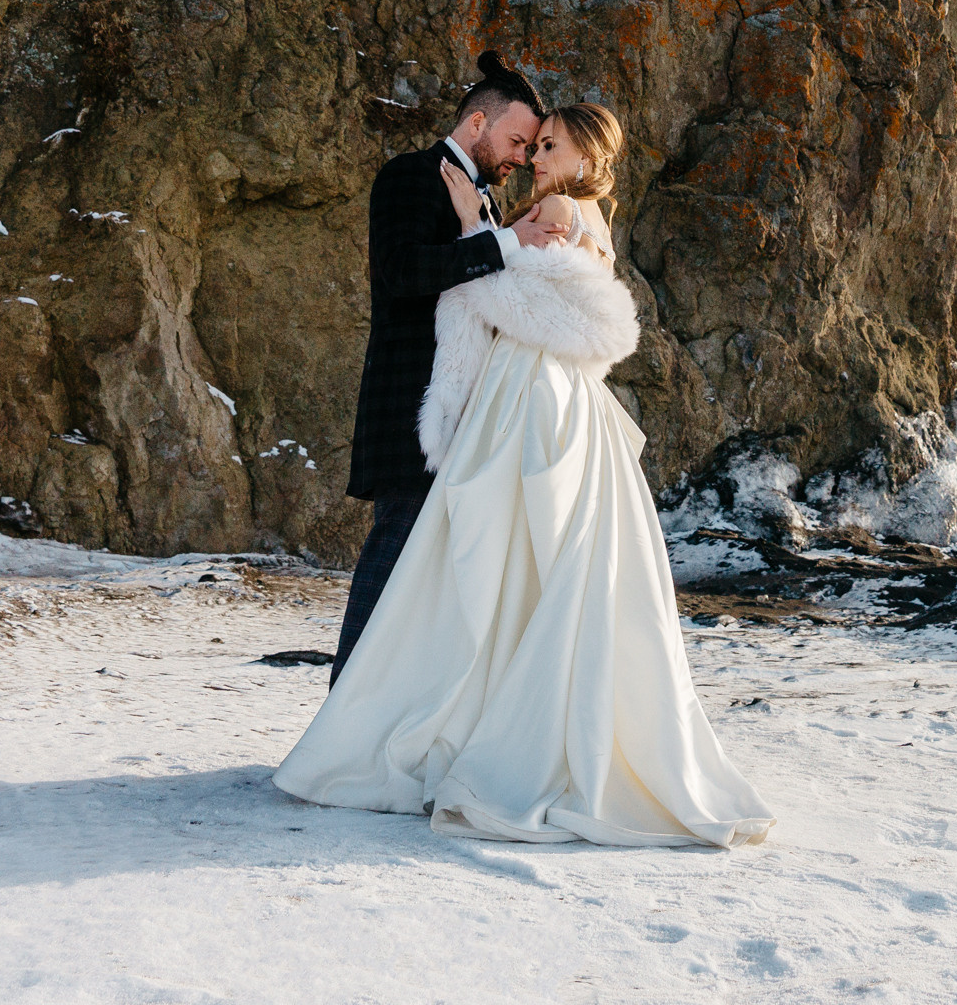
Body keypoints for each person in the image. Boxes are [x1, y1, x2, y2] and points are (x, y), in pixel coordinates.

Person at [277, 101, 773, 849]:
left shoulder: (559, 208)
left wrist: (478, 231)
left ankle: (434, 725)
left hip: (530, 394)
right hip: (564, 398)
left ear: (581, 157)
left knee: (479, 561)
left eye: (549, 146)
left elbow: (511, 303)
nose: (535, 158)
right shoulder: (596, 215)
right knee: (534, 567)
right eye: (533, 144)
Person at [332, 51, 561, 682]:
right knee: (393, 555)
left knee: (430, 581)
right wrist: (506, 243)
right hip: (413, 404)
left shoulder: (481, 202)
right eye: (517, 140)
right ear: (477, 124)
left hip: (460, 415)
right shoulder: (409, 175)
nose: (521, 156)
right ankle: (338, 730)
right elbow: (402, 273)